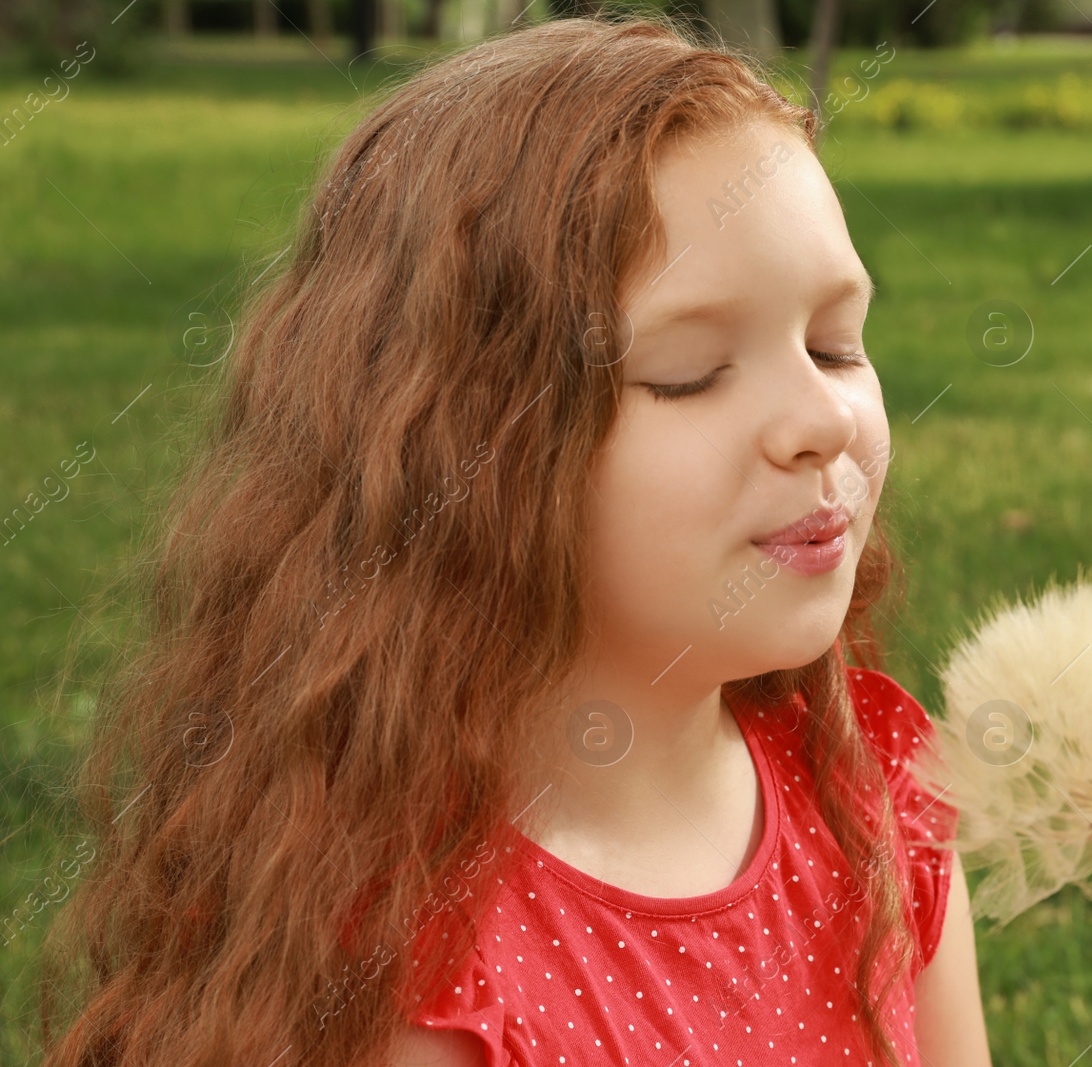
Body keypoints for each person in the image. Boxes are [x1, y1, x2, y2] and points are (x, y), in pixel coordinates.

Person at [36, 13, 990, 1067]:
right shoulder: (416, 970)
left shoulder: (877, 802)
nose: (820, 421)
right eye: (686, 373)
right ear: (468, 452)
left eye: (833, 345)